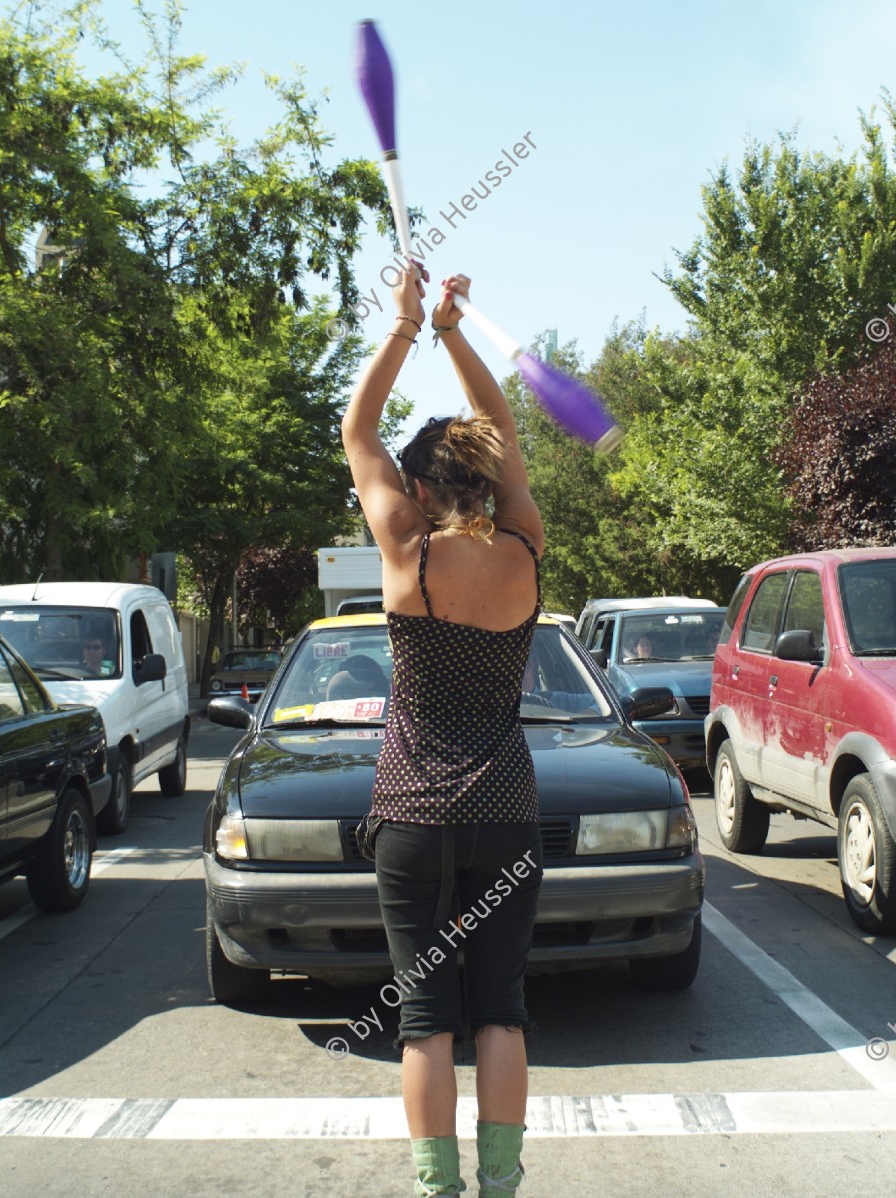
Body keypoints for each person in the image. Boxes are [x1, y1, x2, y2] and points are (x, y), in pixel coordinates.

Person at [342, 262, 543, 1198]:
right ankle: (501, 1187)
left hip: (415, 818)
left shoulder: (405, 551)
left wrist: (403, 326)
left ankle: (437, 1189)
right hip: (506, 811)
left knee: (426, 1020)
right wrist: (456, 334)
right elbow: (503, 445)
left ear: (422, 489)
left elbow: (357, 429)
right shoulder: (526, 550)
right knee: (500, 1012)